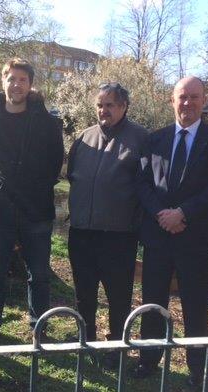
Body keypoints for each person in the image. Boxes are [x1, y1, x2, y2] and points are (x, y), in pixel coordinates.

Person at [135, 76, 208, 386]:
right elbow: (143, 183)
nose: (187, 102)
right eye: (182, 97)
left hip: (195, 237)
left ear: (204, 100)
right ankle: (149, 359)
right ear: (172, 100)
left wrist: (182, 213)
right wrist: (161, 214)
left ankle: (198, 369)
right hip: (157, 234)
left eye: (194, 97)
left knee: (195, 303)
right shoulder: (155, 139)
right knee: (152, 300)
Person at [0, 58, 64, 343]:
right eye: (11, 78)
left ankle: (39, 328)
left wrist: (32, 188)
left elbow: (54, 163)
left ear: (30, 84)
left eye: (22, 79)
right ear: (3, 82)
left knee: (38, 272)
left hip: (36, 209)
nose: (16, 84)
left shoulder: (47, 122)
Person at [67, 82, 148, 368]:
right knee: (84, 292)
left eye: (110, 105)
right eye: (100, 105)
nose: (104, 110)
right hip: (81, 232)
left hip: (118, 234)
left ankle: (116, 345)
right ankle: (85, 339)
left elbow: (148, 187)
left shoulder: (140, 139)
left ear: (124, 106)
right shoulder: (84, 138)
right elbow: (72, 177)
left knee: (118, 295)